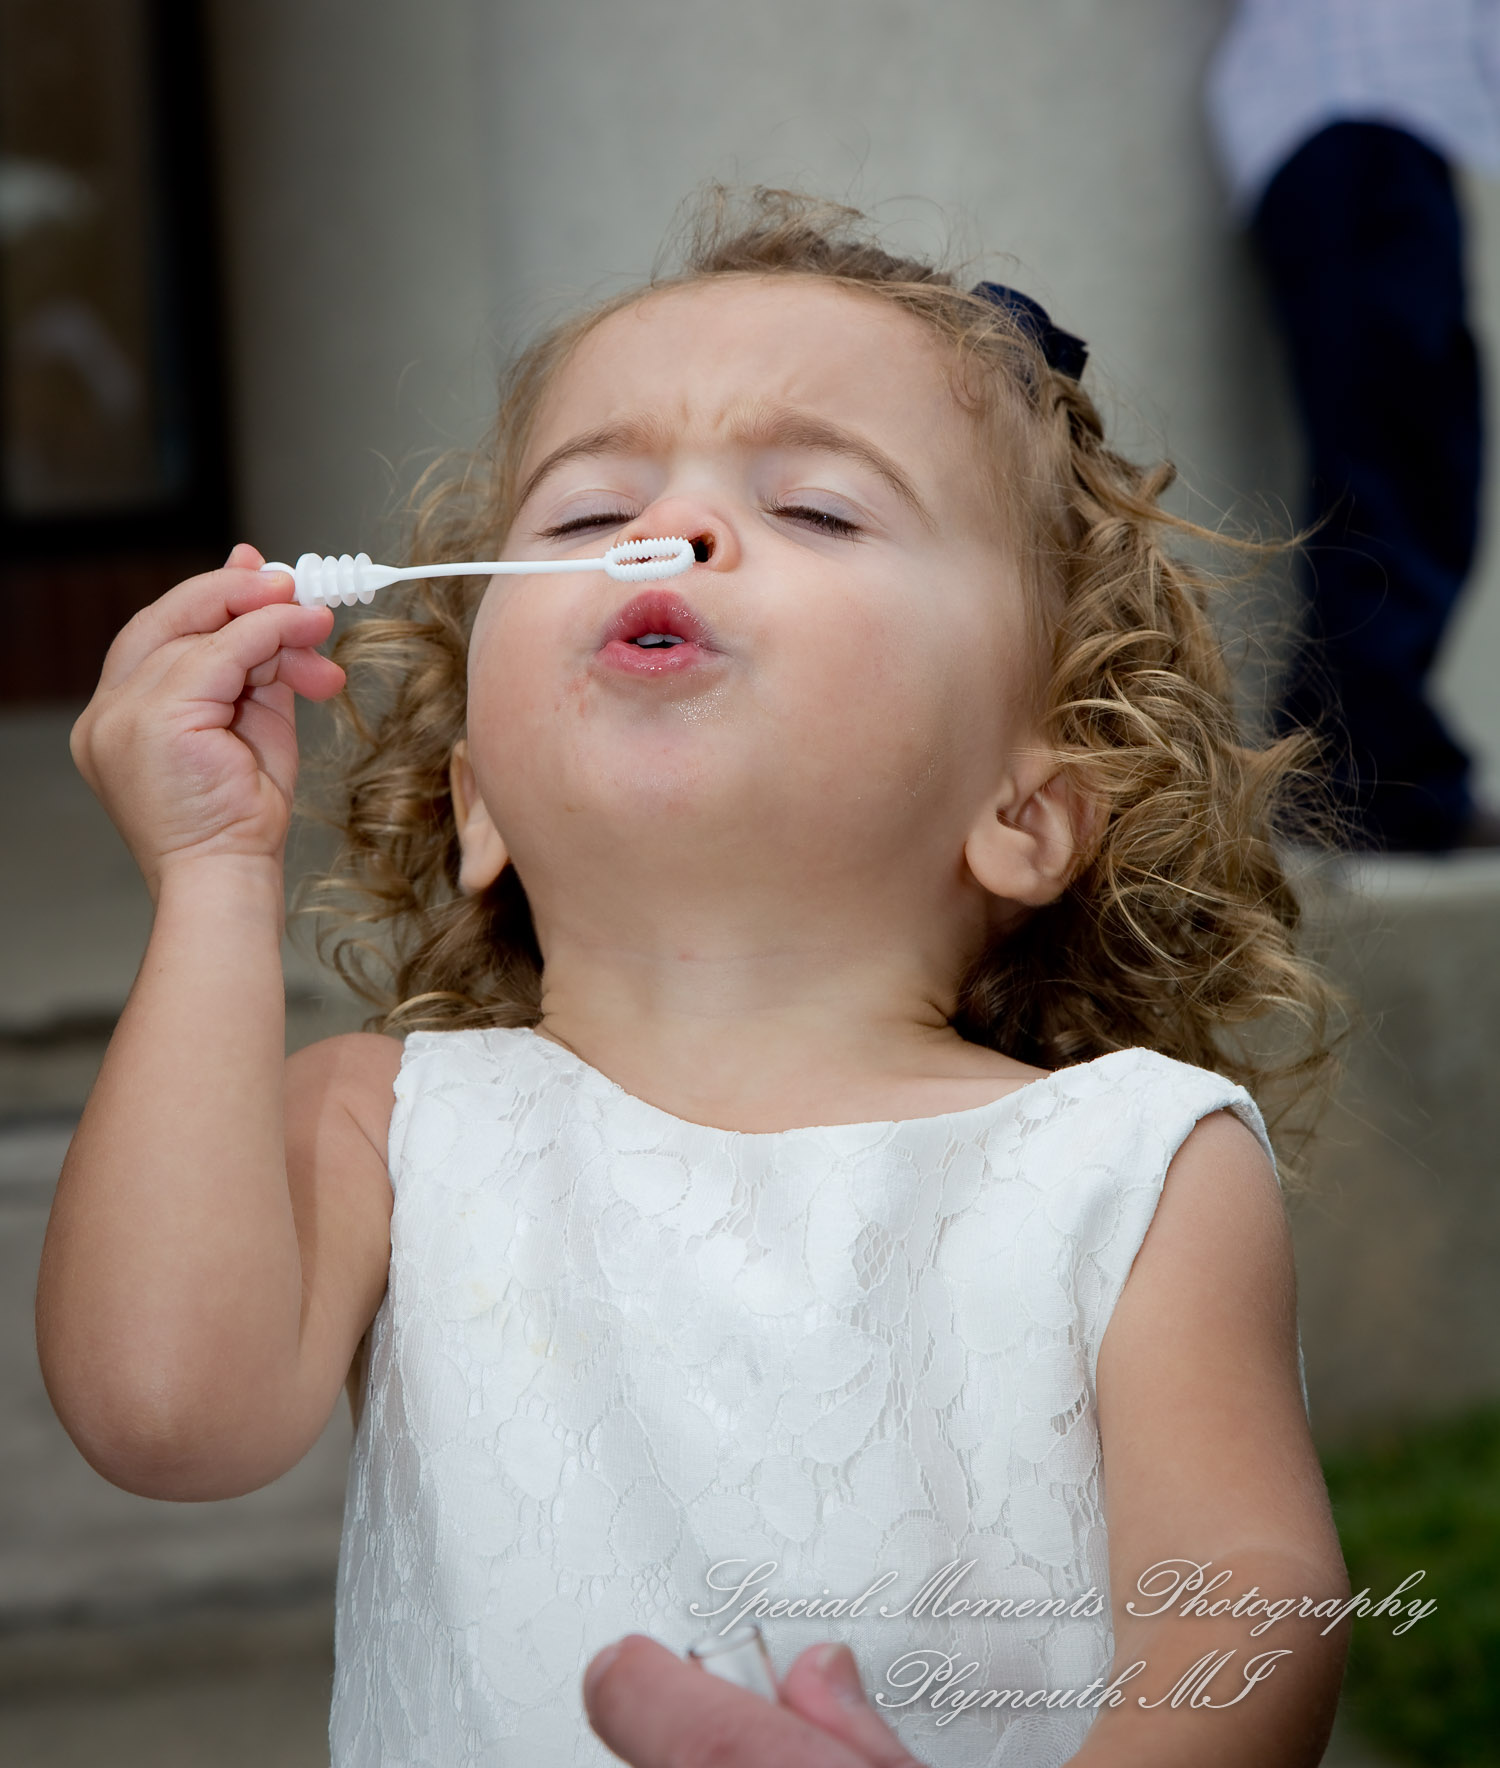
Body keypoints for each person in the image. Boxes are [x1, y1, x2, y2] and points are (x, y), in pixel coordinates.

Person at [39, 187, 1351, 1765]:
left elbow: (1250, 1608)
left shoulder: (1133, 1165)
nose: (681, 530)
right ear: (480, 806)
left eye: (817, 508)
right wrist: (207, 879)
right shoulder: (382, 1125)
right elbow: (164, 1414)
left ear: (1027, 811)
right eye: (588, 515)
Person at [1208, 0, 1500, 852]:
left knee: (1412, 446)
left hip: (1380, 108)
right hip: (1356, 97)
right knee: (1400, 448)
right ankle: (1360, 771)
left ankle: (1346, 756)